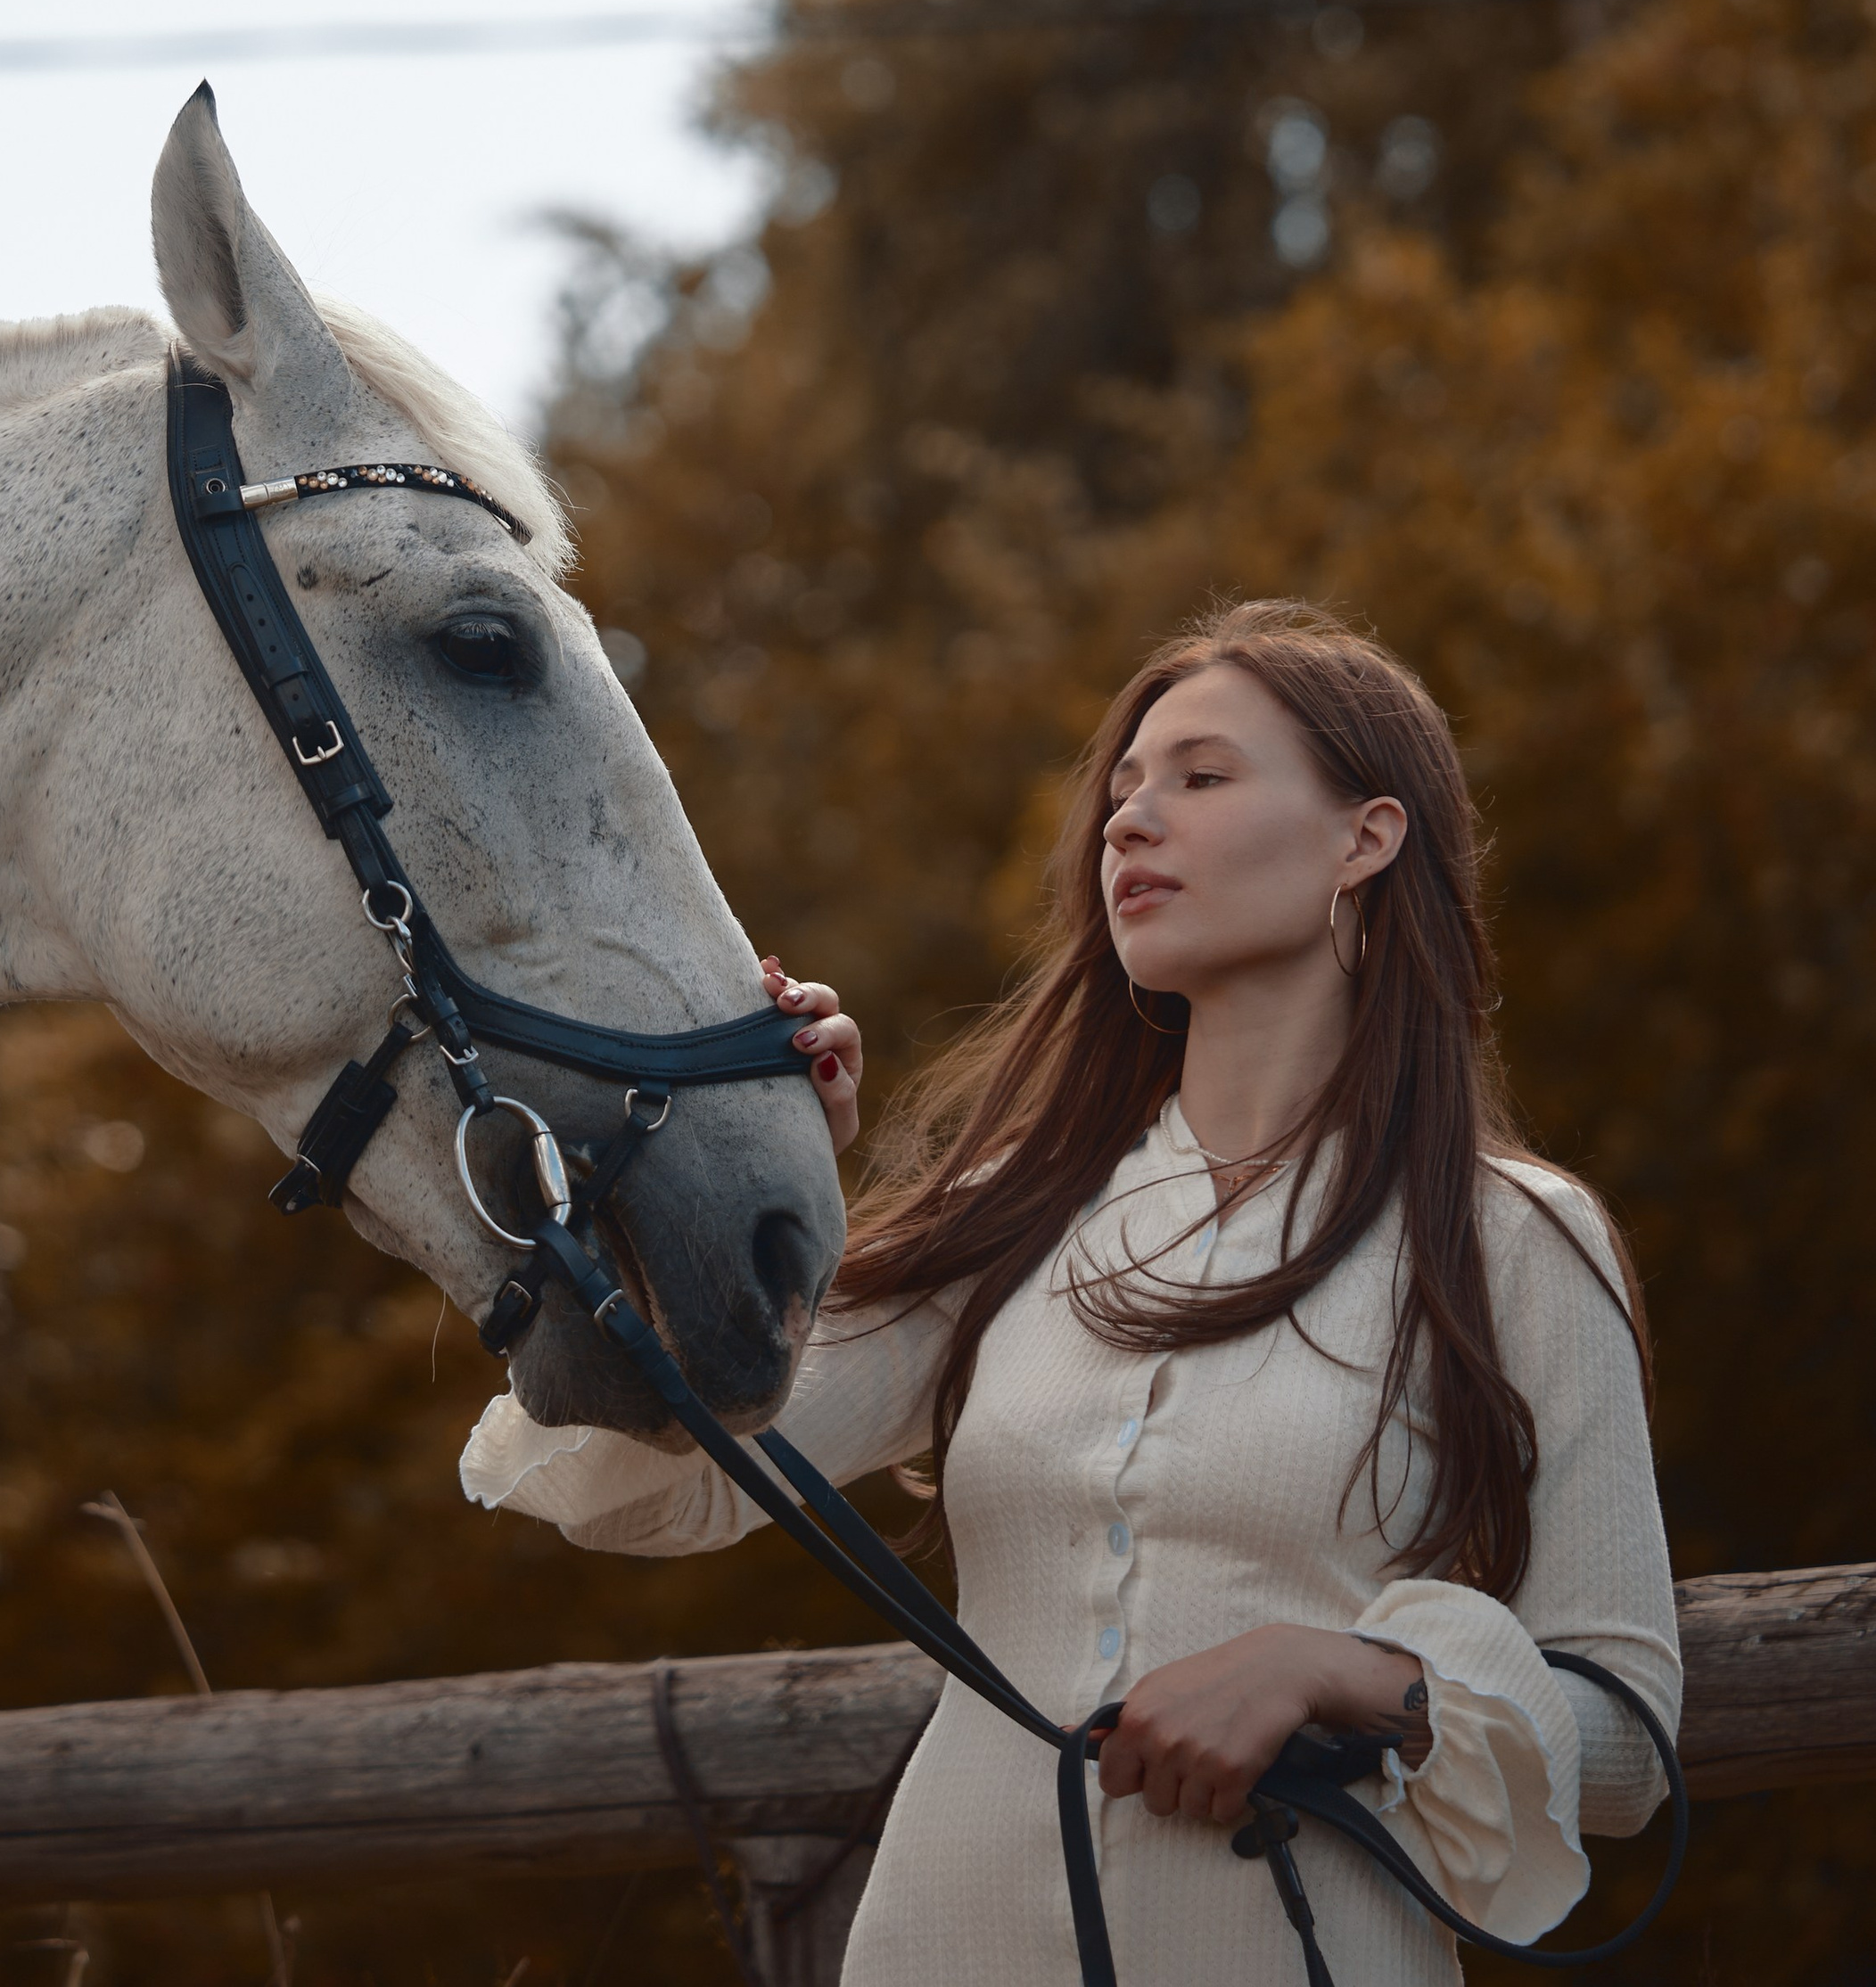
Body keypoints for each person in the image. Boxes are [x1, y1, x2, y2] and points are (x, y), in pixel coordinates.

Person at [462, 601, 1679, 1984]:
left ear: (1368, 837)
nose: (1128, 822)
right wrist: (743, 1167)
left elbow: (1626, 1746)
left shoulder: (1515, 1237)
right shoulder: (1013, 1222)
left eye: (1200, 779)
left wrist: (1332, 1672)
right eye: (1122, 792)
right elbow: (672, 1478)